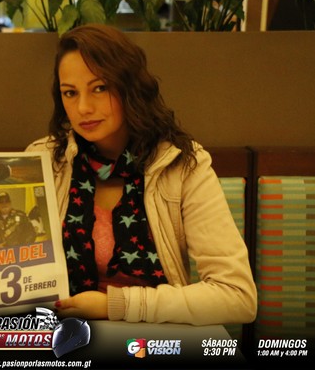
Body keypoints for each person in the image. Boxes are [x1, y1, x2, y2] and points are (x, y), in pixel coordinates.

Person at [25, 24, 257, 326]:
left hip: (151, 336)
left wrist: (116, 305)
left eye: (100, 88)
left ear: (129, 88)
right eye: (70, 93)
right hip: (61, 331)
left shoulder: (181, 165)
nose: (83, 107)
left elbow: (237, 296)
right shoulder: (44, 160)